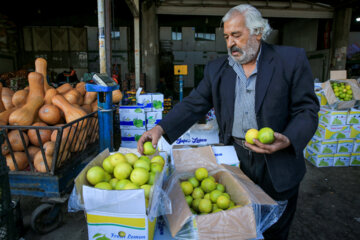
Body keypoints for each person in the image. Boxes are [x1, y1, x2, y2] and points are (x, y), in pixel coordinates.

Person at [137, 4, 319, 239]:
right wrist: (160, 128)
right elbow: (194, 103)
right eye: (226, 36)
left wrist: (289, 139)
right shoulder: (217, 69)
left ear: (258, 32)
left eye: (236, 35)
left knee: (275, 228)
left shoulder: (290, 60)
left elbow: (307, 109)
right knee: (236, 223)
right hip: (236, 161)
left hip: (278, 161)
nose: (230, 42)